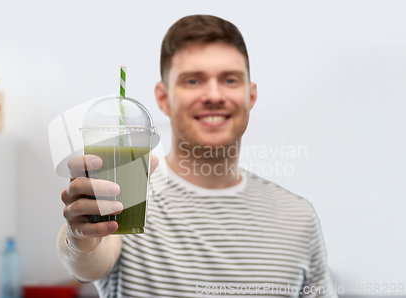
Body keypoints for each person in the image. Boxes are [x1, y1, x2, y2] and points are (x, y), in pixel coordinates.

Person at [57, 14, 337, 297]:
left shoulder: (300, 217)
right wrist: (79, 238)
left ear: (250, 96)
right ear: (164, 98)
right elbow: (88, 263)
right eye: (193, 81)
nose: (213, 95)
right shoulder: (126, 197)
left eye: (230, 79)